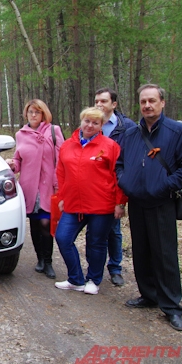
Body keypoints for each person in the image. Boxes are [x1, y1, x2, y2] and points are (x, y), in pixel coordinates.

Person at [116, 84, 182, 331]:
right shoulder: (131, 134)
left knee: (164, 255)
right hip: (138, 202)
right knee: (142, 251)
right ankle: (149, 295)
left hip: (162, 201)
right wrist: (125, 181)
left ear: (162, 102)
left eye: (152, 101)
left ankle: (172, 307)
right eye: (143, 102)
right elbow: (120, 163)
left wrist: (165, 185)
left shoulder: (177, 132)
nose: (147, 106)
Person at [54, 107, 127, 295]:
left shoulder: (110, 146)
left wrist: (120, 202)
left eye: (95, 123)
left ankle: (93, 280)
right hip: (73, 204)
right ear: (81, 121)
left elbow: (119, 176)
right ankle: (76, 279)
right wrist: (62, 196)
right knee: (63, 238)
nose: (90, 125)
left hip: (102, 205)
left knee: (96, 243)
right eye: (87, 121)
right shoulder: (68, 145)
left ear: (101, 125)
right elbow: (61, 173)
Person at [7, 99, 64, 279]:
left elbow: (62, 159)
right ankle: (39, 259)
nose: (33, 115)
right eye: (30, 112)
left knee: (46, 223)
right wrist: (12, 165)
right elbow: (19, 160)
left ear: (43, 114)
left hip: (49, 186)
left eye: (37, 112)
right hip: (30, 186)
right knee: (35, 224)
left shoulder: (54, 131)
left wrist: (58, 183)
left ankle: (48, 262)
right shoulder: (21, 134)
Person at [94, 88, 136, 287]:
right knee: (96, 229)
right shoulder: (91, 124)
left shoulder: (127, 127)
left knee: (114, 229)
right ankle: (95, 269)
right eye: (96, 101)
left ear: (114, 104)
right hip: (95, 186)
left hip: (116, 184)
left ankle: (115, 268)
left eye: (103, 101)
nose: (99, 105)